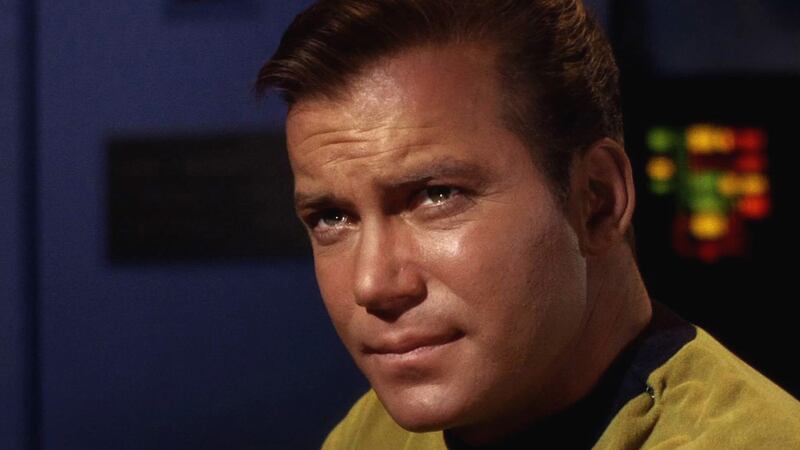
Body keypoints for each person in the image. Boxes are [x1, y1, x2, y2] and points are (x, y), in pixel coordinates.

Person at [256, 0, 800, 448]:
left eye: (437, 195)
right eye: (332, 217)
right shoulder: (374, 435)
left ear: (597, 201)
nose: (372, 284)